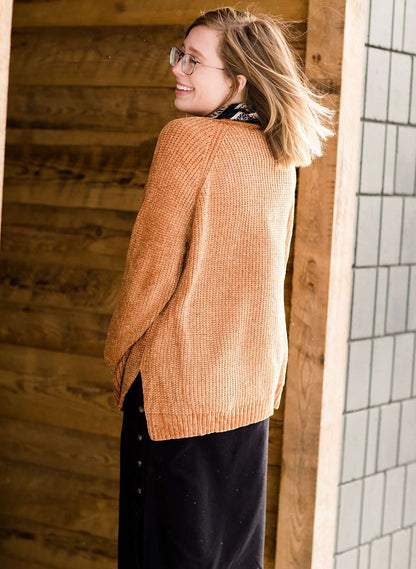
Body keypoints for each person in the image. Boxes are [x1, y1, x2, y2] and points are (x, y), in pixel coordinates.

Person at [104, 6, 334, 569]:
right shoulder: (280, 153)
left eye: (194, 61)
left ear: (238, 80)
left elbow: (149, 273)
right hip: (249, 391)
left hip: (176, 392)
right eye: (180, 55)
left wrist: (118, 360)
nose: (178, 69)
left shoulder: (187, 139)